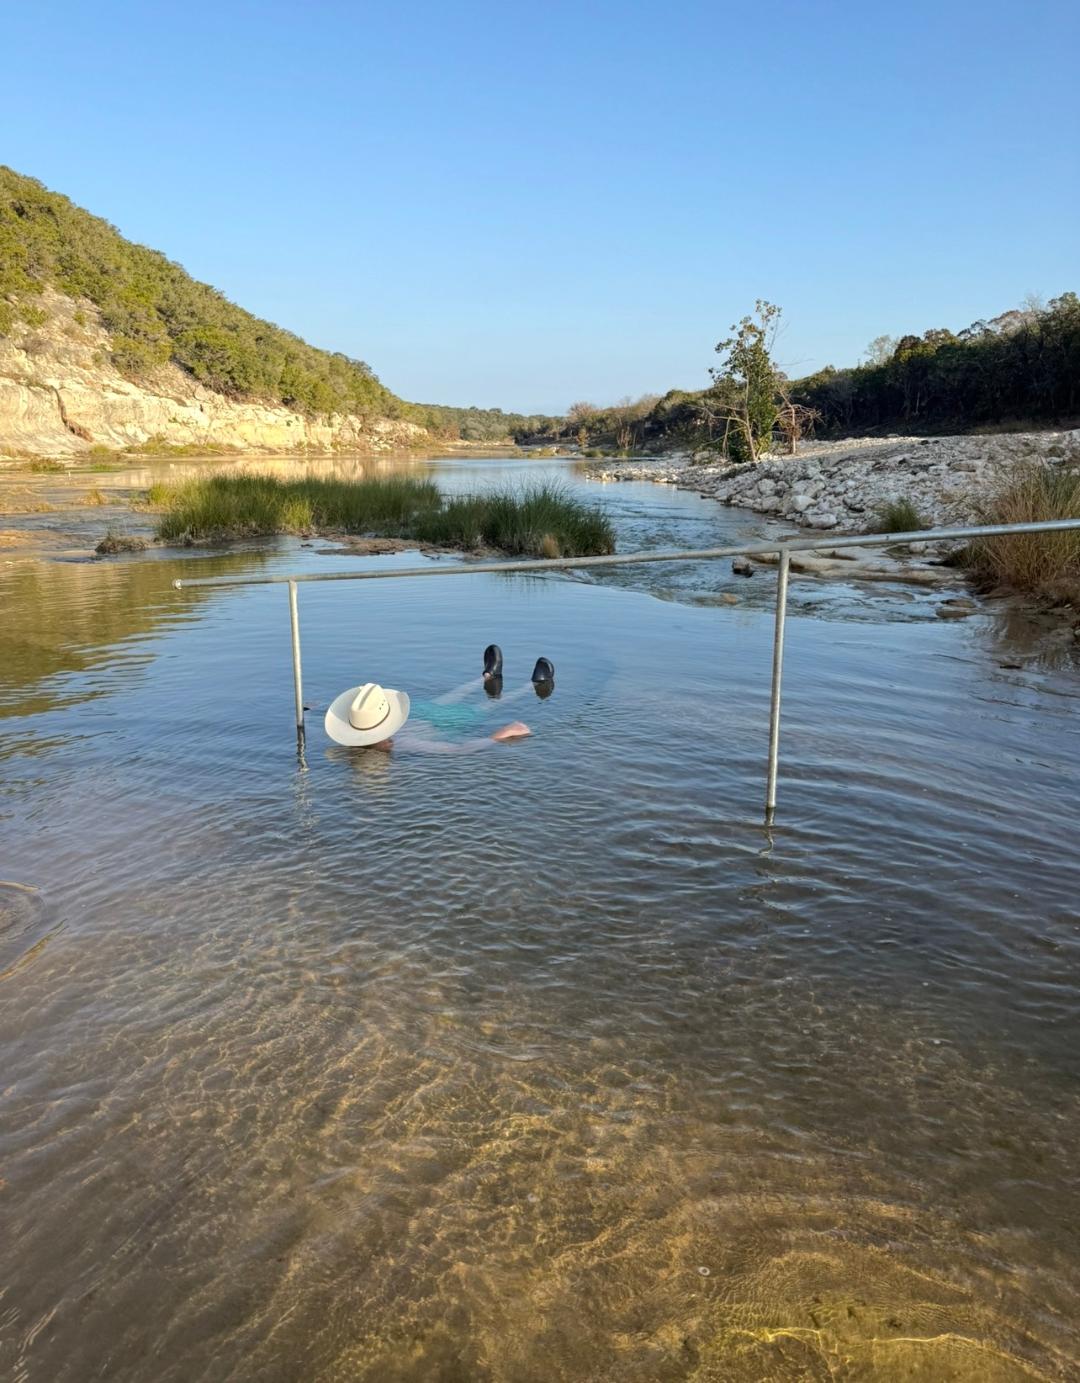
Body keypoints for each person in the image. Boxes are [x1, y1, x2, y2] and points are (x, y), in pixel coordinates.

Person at [324, 646, 553, 754]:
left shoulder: (358, 732)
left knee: (445, 699)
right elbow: (456, 749)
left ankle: (487, 675)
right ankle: (533, 684)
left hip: (414, 718)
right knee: (482, 708)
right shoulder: (403, 743)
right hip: (439, 726)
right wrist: (500, 735)